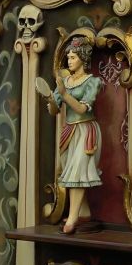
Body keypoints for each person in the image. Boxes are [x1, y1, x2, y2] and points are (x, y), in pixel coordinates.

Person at [46, 36, 103, 234]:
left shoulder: (92, 82)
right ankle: (84, 212)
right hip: (69, 131)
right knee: (70, 172)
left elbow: (81, 109)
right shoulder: (65, 82)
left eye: (73, 57)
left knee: (77, 173)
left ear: (83, 59)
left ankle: (72, 218)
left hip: (86, 130)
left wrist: (64, 93)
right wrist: (52, 100)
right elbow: (54, 111)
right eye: (68, 58)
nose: (69, 61)